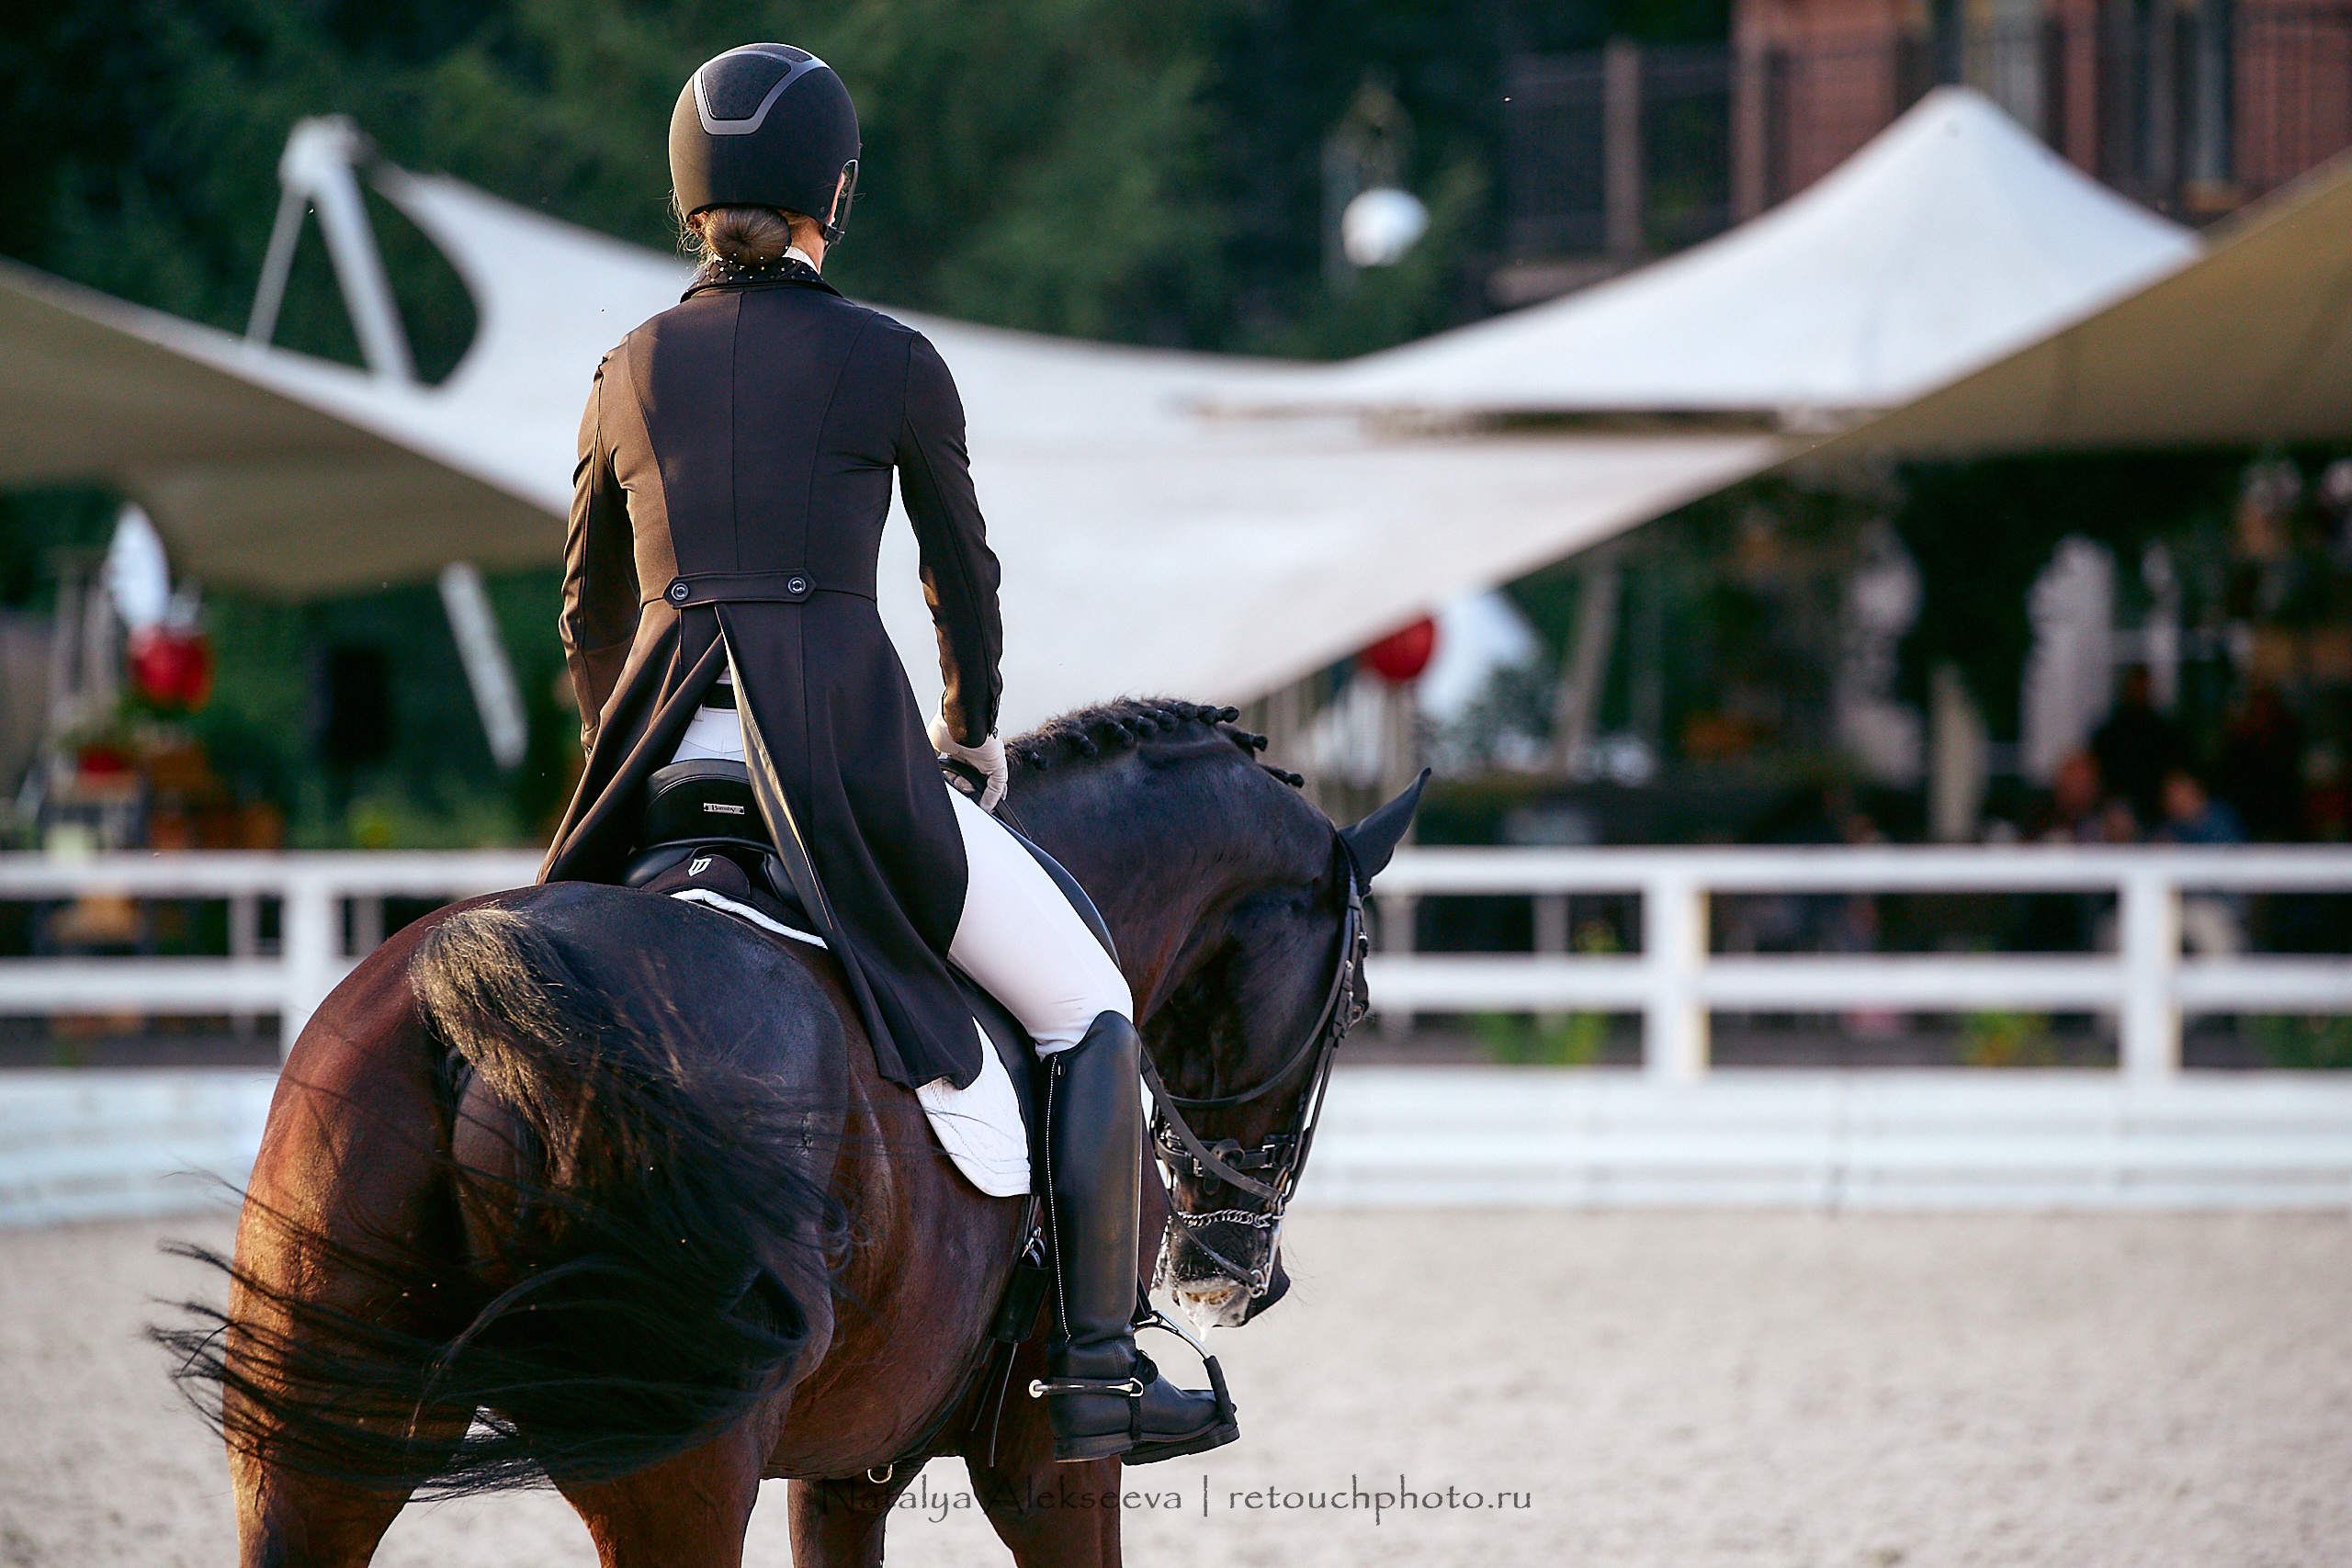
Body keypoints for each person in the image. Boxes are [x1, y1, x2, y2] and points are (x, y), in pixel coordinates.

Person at [537, 42, 1232, 1465]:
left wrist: (627, 739)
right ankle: (1097, 1372)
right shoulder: (893, 362)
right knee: (1090, 1006)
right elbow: (960, 580)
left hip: (655, 777)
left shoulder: (626, 372)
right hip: (846, 779)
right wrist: (967, 732)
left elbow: (586, 611)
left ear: (690, 197)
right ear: (828, 197)